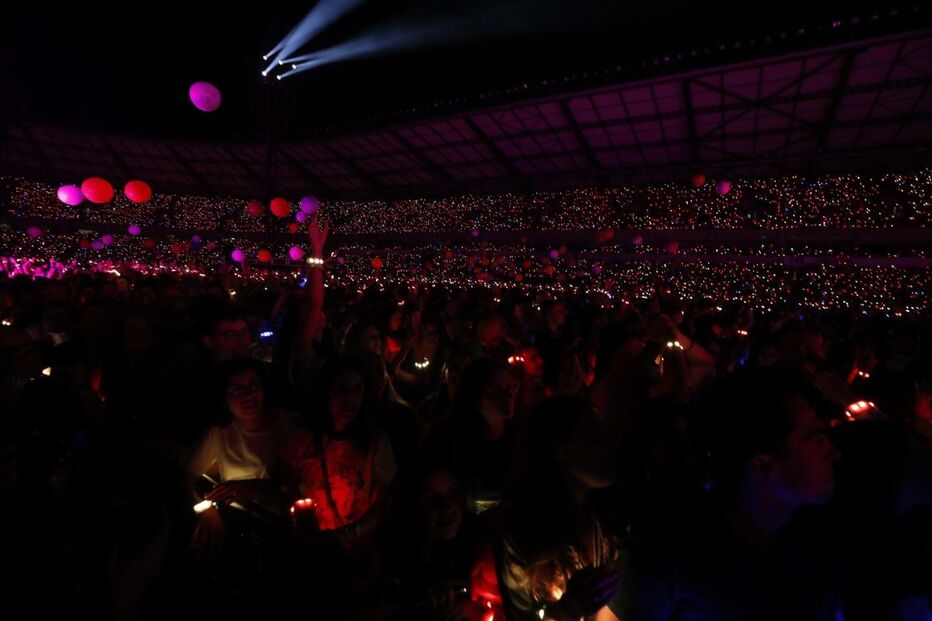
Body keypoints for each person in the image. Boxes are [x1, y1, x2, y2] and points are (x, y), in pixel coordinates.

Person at [606, 370, 842, 621]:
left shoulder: (820, 536)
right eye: (816, 440)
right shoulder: (665, 552)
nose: (835, 453)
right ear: (763, 464)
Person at [499, 395, 621, 621]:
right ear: (557, 449)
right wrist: (566, 611)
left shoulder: (612, 514)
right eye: (593, 435)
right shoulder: (523, 536)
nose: (609, 444)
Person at [187, 358, 315, 559]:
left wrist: (249, 488)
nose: (248, 396)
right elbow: (183, 479)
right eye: (237, 390)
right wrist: (206, 512)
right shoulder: (219, 433)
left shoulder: (290, 425)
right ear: (223, 398)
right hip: (242, 524)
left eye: (253, 386)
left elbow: (298, 485)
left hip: (289, 525)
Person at [300, 355, 397, 549]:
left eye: (358, 388)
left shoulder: (375, 440)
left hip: (359, 546)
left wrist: (350, 534)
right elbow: (286, 487)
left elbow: (385, 499)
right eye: (341, 388)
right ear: (326, 391)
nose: (350, 398)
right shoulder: (302, 437)